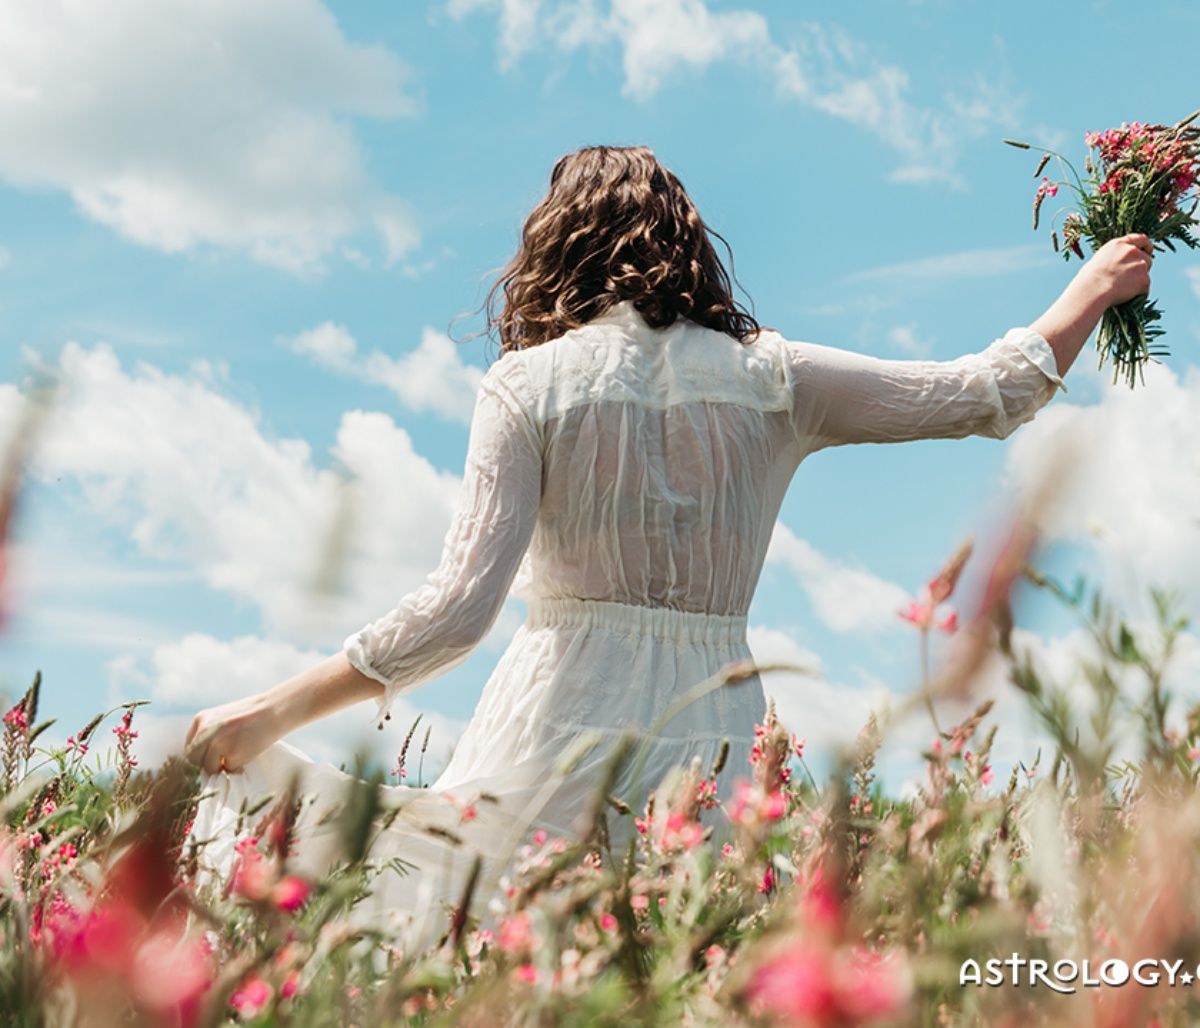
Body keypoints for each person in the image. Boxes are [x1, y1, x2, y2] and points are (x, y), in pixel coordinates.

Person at [181, 145, 1153, 952]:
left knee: (501, 962)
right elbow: (982, 393)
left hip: (555, 719)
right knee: (703, 966)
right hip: (719, 730)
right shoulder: (773, 378)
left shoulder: (528, 384)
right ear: (688, 248)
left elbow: (457, 610)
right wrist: (1093, 285)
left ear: (555, 250)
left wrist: (261, 713)